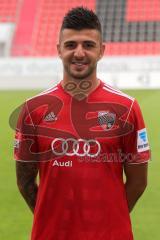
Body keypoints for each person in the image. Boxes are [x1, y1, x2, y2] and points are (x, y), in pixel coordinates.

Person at [14, 6, 150, 240]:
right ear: (58, 50)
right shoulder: (33, 109)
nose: (79, 53)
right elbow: (25, 180)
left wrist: (106, 221)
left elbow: (138, 182)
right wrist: (52, 219)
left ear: (101, 51)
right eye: (70, 45)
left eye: (88, 45)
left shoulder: (126, 108)